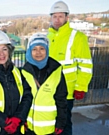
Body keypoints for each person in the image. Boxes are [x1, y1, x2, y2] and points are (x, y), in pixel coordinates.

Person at [47, 1, 93, 135]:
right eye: (54, 16)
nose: (57, 20)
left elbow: (85, 65)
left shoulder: (77, 37)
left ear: (67, 17)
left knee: (64, 122)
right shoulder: (48, 37)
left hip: (67, 90)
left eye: (60, 16)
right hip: (49, 89)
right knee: (51, 120)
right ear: (50, 18)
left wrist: (81, 86)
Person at [22, 33, 68, 135]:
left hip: (49, 128)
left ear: (47, 50)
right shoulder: (24, 71)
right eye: (34, 49)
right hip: (29, 127)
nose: (38, 52)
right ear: (30, 51)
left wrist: (61, 122)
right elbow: (21, 99)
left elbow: (61, 99)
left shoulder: (56, 71)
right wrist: (22, 119)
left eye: (42, 48)